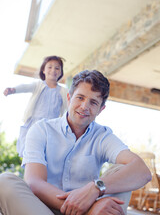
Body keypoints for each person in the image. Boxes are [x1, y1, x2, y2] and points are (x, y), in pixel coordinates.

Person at [0, 70, 151, 215]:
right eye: (80, 97)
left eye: (93, 102)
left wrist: (96, 188)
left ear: (101, 109)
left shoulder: (103, 136)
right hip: (43, 209)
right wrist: (87, 210)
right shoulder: (41, 129)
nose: (84, 106)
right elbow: (35, 183)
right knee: (4, 182)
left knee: (125, 169)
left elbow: (142, 172)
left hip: (90, 206)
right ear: (69, 98)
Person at [3, 55, 68, 157]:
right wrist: (13, 90)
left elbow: (70, 105)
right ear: (43, 70)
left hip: (51, 127)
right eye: (49, 67)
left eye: (57, 68)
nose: (53, 70)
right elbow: (25, 87)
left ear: (60, 72)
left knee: (47, 153)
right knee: (31, 151)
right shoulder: (38, 85)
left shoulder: (63, 91)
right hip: (34, 123)